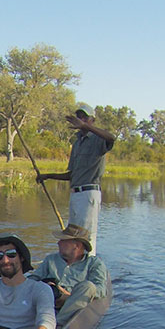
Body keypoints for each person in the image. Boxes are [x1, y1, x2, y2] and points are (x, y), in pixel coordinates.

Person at [36, 103, 116, 254]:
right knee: (73, 235)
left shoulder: (97, 140)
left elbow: (112, 138)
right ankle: (73, 266)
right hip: (75, 194)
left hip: (88, 194)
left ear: (92, 120)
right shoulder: (77, 143)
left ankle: (89, 267)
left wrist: (87, 127)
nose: (81, 120)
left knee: (86, 235)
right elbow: (71, 175)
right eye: (79, 117)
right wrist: (48, 176)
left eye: (85, 117)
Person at [29, 223, 108, 326]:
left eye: (63, 240)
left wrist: (70, 296)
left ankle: (57, 326)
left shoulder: (93, 263)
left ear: (77, 246)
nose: (58, 243)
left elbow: (101, 289)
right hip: (49, 300)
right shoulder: (51, 260)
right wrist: (46, 285)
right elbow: (33, 279)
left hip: (74, 303)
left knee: (88, 286)